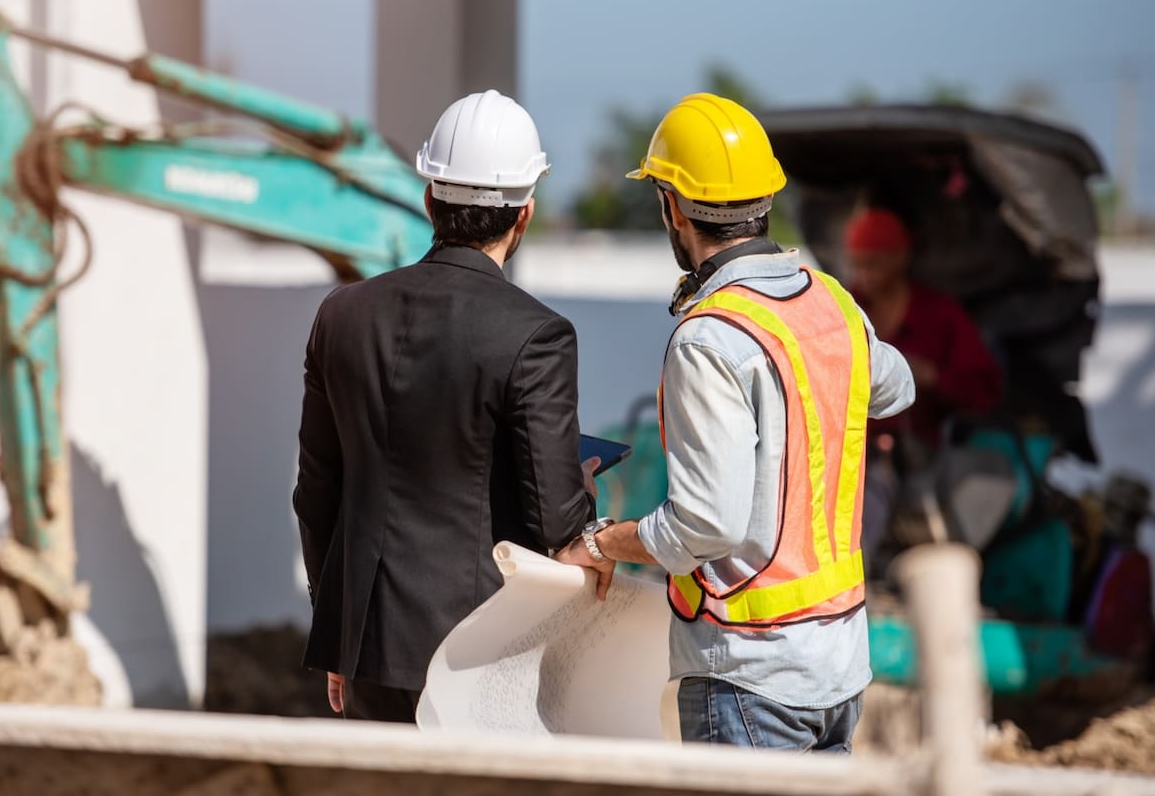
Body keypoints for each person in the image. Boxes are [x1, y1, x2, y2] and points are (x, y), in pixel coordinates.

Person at [556, 93, 915, 751]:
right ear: (765, 200)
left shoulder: (711, 337)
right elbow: (896, 386)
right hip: (839, 669)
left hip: (753, 679)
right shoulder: (830, 299)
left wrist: (604, 540)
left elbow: (706, 525)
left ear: (672, 206)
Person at [293, 90, 597, 723]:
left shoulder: (341, 316)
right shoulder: (537, 335)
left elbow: (316, 490)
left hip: (366, 645)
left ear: (429, 198)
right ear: (526, 214)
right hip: (479, 653)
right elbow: (556, 522)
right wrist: (582, 486)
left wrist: (338, 631)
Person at [843, 206, 1003, 450]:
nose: (864, 275)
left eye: (873, 264)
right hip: (856, 450)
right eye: (857, 265)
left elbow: (984, 389)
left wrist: (932, 376)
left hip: (929, 452)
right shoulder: (844, 309)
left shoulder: (940, 313)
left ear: (901, 256)